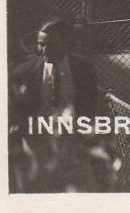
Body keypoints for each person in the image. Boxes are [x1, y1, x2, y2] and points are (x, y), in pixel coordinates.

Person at [9, 20, 106, 191]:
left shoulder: (83, 69)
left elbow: (90, 104)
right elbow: (17, 108)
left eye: (51, 45)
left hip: (72, 139)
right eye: (41, 45)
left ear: (66, 43)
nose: (44, 50)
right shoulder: (24, 72)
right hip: (37, 139)